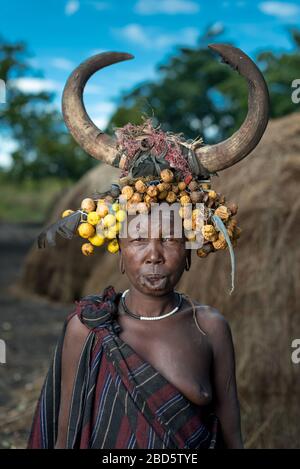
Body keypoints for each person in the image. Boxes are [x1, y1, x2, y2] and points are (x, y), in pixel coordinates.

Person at [28, 43, 269, 449]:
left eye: (171, 239)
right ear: (120, 253)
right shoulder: (86, 330)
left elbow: (231, 435)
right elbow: (66, 434)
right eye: (138, 238)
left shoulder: (210, 328)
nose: (154, 253)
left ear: (191, 251)